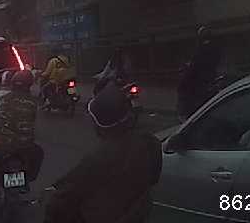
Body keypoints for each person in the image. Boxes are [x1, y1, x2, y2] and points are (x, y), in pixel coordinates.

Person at [44, 86, 162, 223]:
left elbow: (66, 194)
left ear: (100, 124)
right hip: (136, 214)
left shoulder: (100, 157)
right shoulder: (149, 142)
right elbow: (154, 178)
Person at [177, 26, 221, 120]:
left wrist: (189, 68)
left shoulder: (201, 48)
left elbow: (195, 64)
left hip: (201, 79)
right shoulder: (215, 47)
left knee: (183, 88)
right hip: (210, 76)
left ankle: (187, 115)